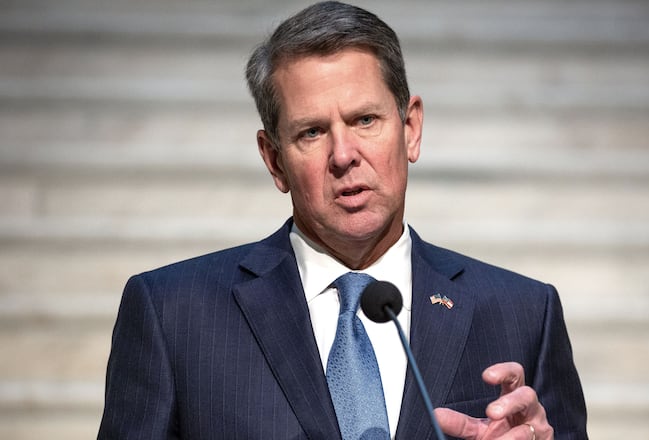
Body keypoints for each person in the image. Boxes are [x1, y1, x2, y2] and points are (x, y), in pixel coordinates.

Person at [97, 2, 588, 439]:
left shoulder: (523, 313)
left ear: (411, 129)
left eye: (365, 121)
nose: (344, 155)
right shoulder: (173, 315)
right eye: (312, 132)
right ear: (274, 160)